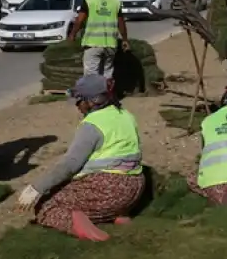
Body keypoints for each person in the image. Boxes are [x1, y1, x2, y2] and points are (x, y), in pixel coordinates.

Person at [16, 75, 145, 241]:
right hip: (135, 188)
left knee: (46, 205)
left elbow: (70, 165)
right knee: (79, 194)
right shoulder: (125, 114)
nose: (77, 106)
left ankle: (79, 226)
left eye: (79, 101)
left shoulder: (92, 124)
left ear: (92, 101)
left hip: (108, 189)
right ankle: (117, 214)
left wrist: (37, 188)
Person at [67, 0, 129, 78]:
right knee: (107, 73)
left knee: (91, 74)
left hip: (93, 43)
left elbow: (80, 20)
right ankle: (106, 93)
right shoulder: (115, 0)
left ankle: (94, 94)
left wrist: (72, 34)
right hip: (110, 44)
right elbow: (121, 22)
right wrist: (124, 39)